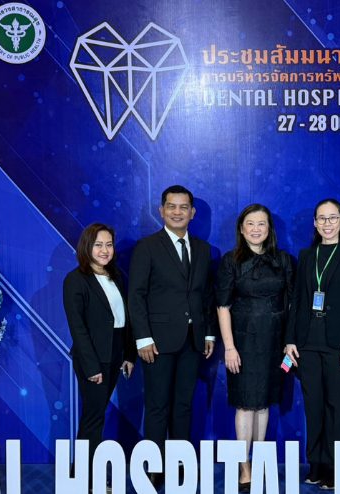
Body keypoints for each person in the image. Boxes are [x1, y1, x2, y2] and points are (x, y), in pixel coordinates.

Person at [128, 185, 217, 489]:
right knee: (157, 406)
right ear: (161, 211)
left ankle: (180, 466)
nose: (177, 212)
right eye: (171, 206)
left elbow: (206, 295)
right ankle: (154, 469)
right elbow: (136, 295)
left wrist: (208, 332)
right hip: (157, 342)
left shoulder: (204, 249)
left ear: (193, 213)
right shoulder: (147, 247)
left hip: (192, 340)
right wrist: (143, 338)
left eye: (183, 207)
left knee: (184, 406)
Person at [285, 199, 340, 490]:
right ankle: (316, 463)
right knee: (314, 406)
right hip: (307, 342)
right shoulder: (307, 255)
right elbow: (298, 301)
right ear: (315, 223)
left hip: (338, 344)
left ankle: (335, 467)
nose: (327, 223)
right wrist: (290, 339)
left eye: (333, 218)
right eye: (322, 218)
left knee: (338, 407)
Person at [216, 204, 293, 492]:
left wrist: (289, 341)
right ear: (241, 228)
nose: (256, 229)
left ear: (269, 228)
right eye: (250, 223)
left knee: (263, 403)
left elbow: (292, 303)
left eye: (262, 223)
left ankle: (259, 460)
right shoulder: (230, 261)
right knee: (245, 404)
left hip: (274, 341)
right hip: (242, 342)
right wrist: (229, 347)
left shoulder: (283, 260)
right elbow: (222, 306)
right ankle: (244, 466)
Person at [63, 223, 136, 488]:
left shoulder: (115, 276)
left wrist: (129, 354)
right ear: (87, 247)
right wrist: (92, 366)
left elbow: (123, 319)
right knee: (93, 418)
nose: (105, 250)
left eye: (109, 245)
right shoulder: (76, 279)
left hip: (115, 352)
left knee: (96, 416)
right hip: (92, 357)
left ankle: (78, 475)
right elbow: (78, 328)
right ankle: (85, 480)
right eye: (98, 245)